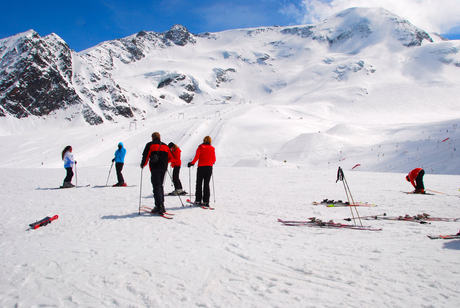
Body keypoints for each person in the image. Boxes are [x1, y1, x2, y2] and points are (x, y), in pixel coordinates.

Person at [140, 132, 173, 215]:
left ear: (152, 137)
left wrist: (143, 164)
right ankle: (162, 205)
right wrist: (165, 163)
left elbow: (145, 155)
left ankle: (159, 206)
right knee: (160, 186)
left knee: (156, 186)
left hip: (155, 168)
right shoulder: (165, 146)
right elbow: (171, 157)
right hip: (163, 168)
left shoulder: (150, 145)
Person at [188, 136, 216, 207]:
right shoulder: (212, 148)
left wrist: (192, 163)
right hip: (209, 167)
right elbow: (214, 159)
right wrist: (211, 162)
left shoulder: (200, 147)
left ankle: (198, 200)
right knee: (206, 184)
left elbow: (197, 157)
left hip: (201, 167)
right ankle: (206, 201)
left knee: (199, 184)